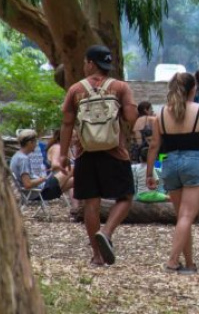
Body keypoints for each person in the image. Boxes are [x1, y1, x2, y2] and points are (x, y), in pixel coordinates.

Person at [59, 45, 138, 267]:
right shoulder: (120, 87)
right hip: (115, 151)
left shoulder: (75, 90)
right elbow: (131, 116)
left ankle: (96, 256)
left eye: (85, 62)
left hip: (85, 152)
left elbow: (66, 124)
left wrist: (63, 155)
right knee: (126, 196)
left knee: (91, 202)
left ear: (91, 63)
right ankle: (107, 231)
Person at [146, 72, 199, 274]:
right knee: (186, 217)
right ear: (194, 89)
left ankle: (189, 263)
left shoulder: (161, 114)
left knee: (183, 217)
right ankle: (172, 261)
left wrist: (149, 173)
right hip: (195, 162)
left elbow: (154, 145)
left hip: (170, 163)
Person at [12, 129, 74, 202]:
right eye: (35, 142)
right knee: (73, 168)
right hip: (40, 192)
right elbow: (27, 184)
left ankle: (79, 206)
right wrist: (43, 179)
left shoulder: (16, 156)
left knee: (77, 180)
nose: (36, 145)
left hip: (38, 191)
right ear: (29, 143)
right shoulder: (23, 159)